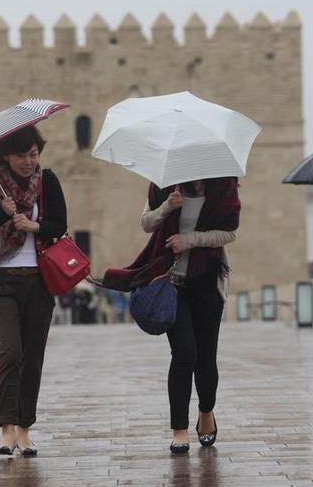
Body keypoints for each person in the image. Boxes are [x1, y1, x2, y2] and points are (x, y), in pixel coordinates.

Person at [104, 178, 239, 454]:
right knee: (184, 353)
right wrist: (168, 205)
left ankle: (205, 411)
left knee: (206, 356)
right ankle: (179, 429)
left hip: (207, 283)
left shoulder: (222, 187)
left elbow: (229, 232)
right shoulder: (165, 185)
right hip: (173, 283)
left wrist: (190, 241)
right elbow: (147, 223)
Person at [0, 125, 67, 457]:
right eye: (20, 155)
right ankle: (5, 428)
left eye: (33, 154)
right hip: (0, 280)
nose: (28, 161)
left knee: (32, 358)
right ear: (4, 157)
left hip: (39, 280)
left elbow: (60, 224)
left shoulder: (48, 181)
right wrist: (3, 212)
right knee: (10, 353)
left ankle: (25, 430)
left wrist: (35, 226)